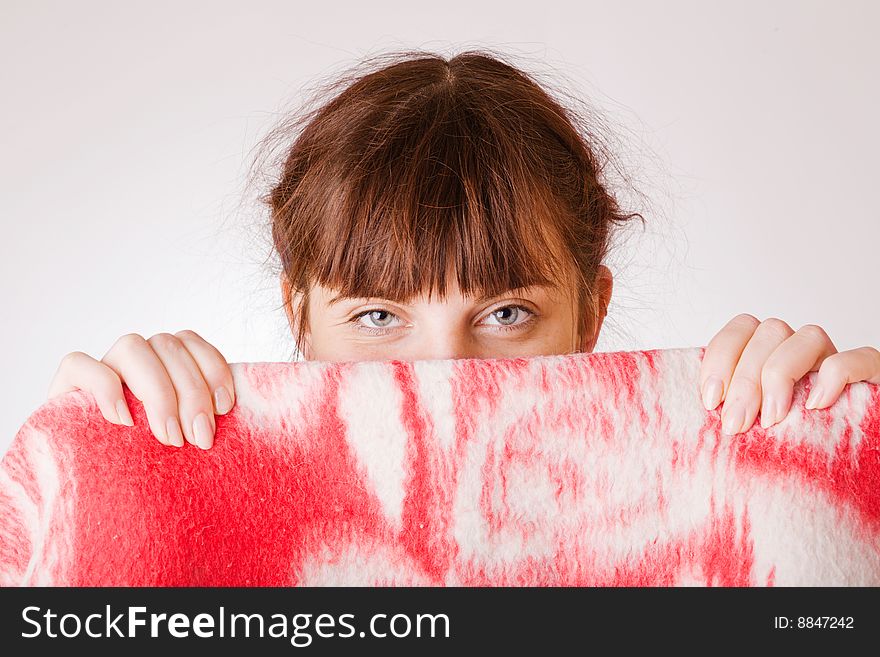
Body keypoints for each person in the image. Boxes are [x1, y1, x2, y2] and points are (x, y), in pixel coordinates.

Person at [46, 50, 879, 451]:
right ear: (296, 309)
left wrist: (838, 470)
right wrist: (81, 487)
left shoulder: (715, 498)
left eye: (507, 312)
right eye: (378, 314)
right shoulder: (192, 499)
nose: (446, 372)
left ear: (593, 311)